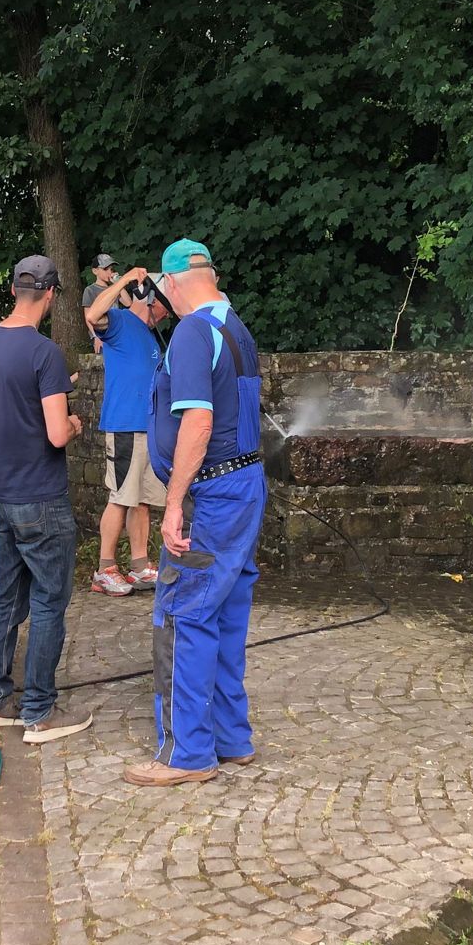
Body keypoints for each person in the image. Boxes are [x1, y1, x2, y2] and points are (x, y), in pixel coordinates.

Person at [131, 238, 268, 788]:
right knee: (228, 611)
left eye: (162, 289)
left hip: (208, 496)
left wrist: (171, 504)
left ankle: (187, 753)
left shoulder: (192, 332)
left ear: (173, 282)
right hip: (245, 486)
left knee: (184, 614)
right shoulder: (237, 328)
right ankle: (232, 739)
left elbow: (198, 423)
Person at [0, 255, 92, 744]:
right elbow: (57, 434)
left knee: (5, 600)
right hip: (43, 499)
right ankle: (38, 713)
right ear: (51, 295)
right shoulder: (45, 353)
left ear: (14, 290)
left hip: (3, 495)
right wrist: (73, 423)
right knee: (50, 603)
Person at [83, 264, 168, 596]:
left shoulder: (148, 333)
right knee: (120, 498)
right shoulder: (120, 322)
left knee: (142, 501)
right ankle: (104, 569)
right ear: (148, 298)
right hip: (124, 427)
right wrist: (126, 279)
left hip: (148, 428)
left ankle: (140, 565)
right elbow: (93, 313)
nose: (165, 315)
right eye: (164, 307)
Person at [82, 254, 117, 351]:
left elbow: (128, 303)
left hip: (117, 332)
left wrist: (118, 284)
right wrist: (95, 337)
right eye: (105, 269)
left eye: (111, 269)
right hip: (102, 334)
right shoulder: (90, 290)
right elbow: (88, 317)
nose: (109, 272)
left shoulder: (114, 289)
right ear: (95, 271)